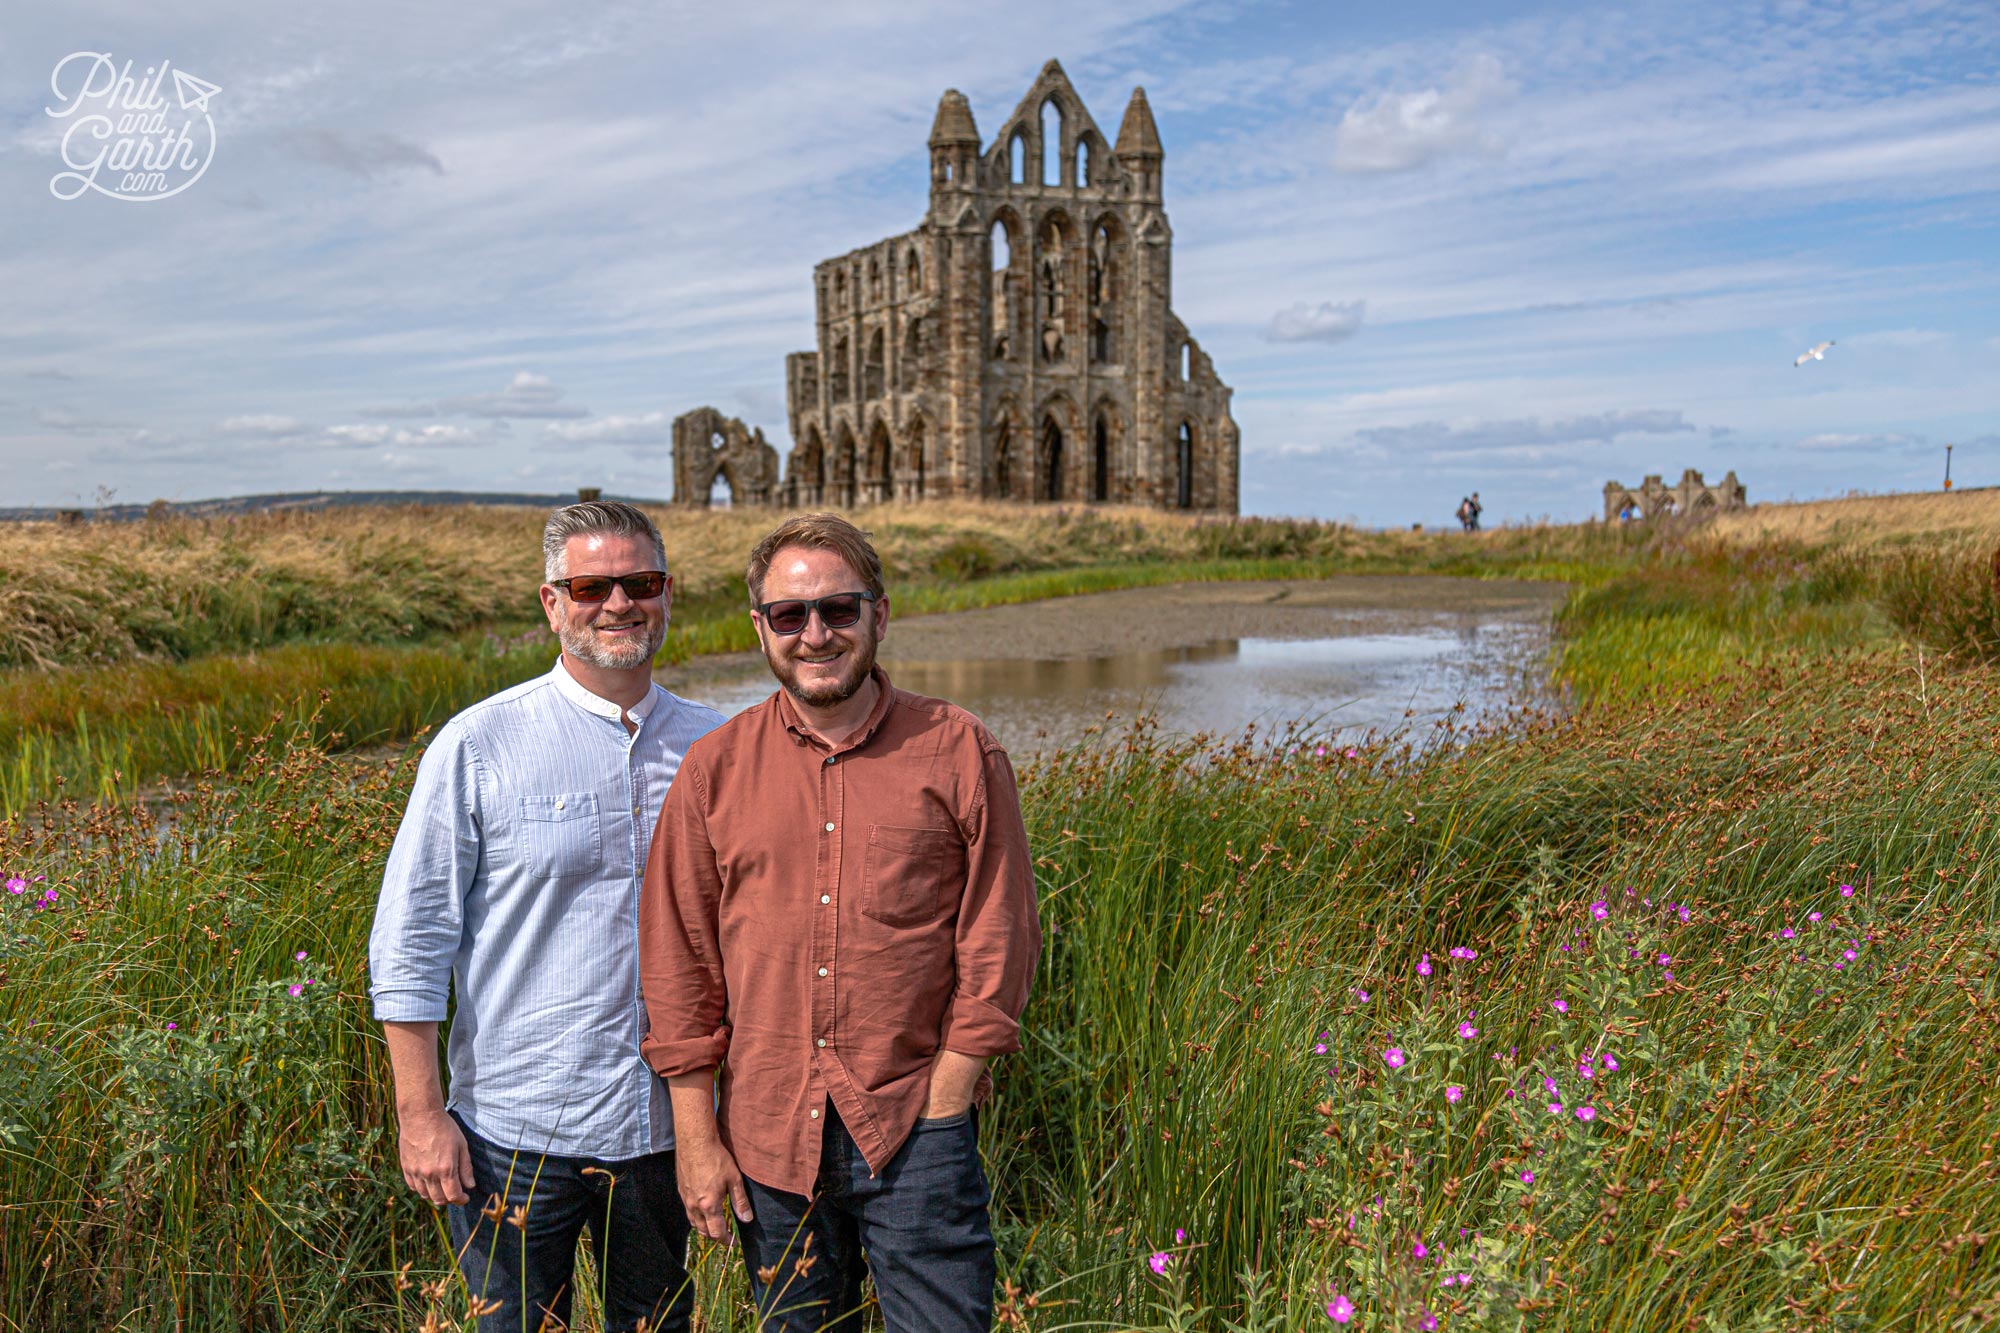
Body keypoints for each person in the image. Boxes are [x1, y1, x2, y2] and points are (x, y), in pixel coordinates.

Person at [638, 513, 1040, 1332]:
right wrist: (696, 1137)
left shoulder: (960, 751)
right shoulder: (715, 768)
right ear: (761, 628)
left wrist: (949, 1094)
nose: (815, 633)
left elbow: (999, 936)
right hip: (767, 1135)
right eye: (790, 614)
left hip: (915, 1128)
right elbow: (681, 963)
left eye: (839, 610)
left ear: (879, 616)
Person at [369, 500, 722, 1333]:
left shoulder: (715, 746)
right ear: (551, 602)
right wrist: (420, 1118)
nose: (619, 603)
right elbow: (412, 941)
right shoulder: (479, 744)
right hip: (515, 1134)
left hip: (663, 1129)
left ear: (667, 594)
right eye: (592, 585)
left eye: (641, 582)